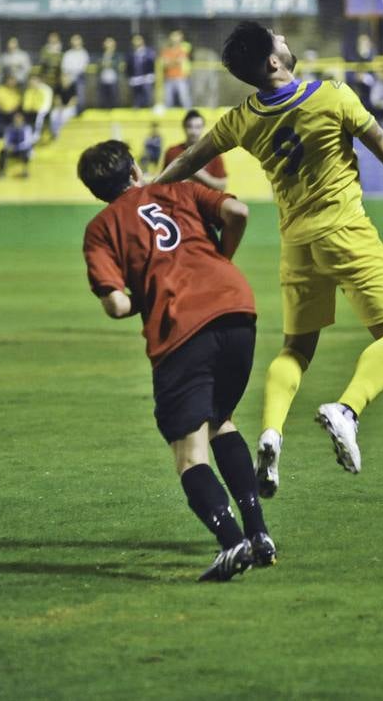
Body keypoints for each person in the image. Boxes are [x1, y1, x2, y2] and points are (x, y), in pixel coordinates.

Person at [154, 20, 383, 493]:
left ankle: (272, 433)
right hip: (346, 233)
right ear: (275, 61)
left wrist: (144, 192)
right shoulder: (332, 96)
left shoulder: (242, 119)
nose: (285, 41)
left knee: (296, 349)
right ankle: (348, 408)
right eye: (279, 40)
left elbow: (189, 161)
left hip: (296, 244)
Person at [78, 139, 274, 582]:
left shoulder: (101, 227)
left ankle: (232, 542)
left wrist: (142, 297)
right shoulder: (180, 190)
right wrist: (222, 257)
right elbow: (238, 213)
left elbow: (115, 304)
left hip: (182, 327)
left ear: (98, 191)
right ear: (134, 171)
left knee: (189, 454)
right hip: (237, 310)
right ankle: (259, 533)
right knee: (221, 420)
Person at [163, 109, 227, 190]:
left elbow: (222, 186)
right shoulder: (172, 152)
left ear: (203, 128)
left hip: (203, 201)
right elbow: (162, 183)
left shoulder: (213, 153)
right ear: (184, 127)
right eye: (190, 126)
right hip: (178, 200)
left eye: (198, 127)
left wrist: (198, 173)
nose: (194, 131)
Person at [161, 30, 193, 110]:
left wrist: (171, 61)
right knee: (168, 100)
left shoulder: (185, 49)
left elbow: (180, 60)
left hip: (181, 77)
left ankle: (190, 115)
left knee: (185, 99)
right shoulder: (166, 50)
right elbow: (165, 64)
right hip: (169, 78)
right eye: (173, 36)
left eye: (177, 36)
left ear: (181, 38)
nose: (175, 38)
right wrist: (175, 61)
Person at [0, 112, 36, 178]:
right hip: (12, 149)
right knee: (3, 152)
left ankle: (25, 171)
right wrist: (9, 146)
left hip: (22, 149)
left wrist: (16, 147)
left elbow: (27, 142)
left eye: (18, 119)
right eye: (16, 119)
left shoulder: (26, 128)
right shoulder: (10, 128)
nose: (17, 120)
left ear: (22, 120)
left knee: (26, 153)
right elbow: (7, 140)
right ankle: (2, 172)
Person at [127, 33, 156, 108]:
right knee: (136, 97)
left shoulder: (149, 51)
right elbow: (129, 66)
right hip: (136, 78)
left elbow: (152, 62)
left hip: (147, 77)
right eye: (134, 40)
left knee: (147, 95)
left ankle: (148, 108)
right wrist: (130, 76)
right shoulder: (131, 53)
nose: (136, 42)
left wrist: (151, 74)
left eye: (138, 39)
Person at [96, 37, 124, 108]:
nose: (108, 44)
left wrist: (108, 63)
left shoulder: (117, 55)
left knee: (114, 99)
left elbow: (117, 64)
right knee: (103, 99)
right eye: (107, 42)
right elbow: (99, 64)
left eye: (110, 42)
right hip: (103, 80)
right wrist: (104, 64)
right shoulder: (101, 55)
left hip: (113, 81)